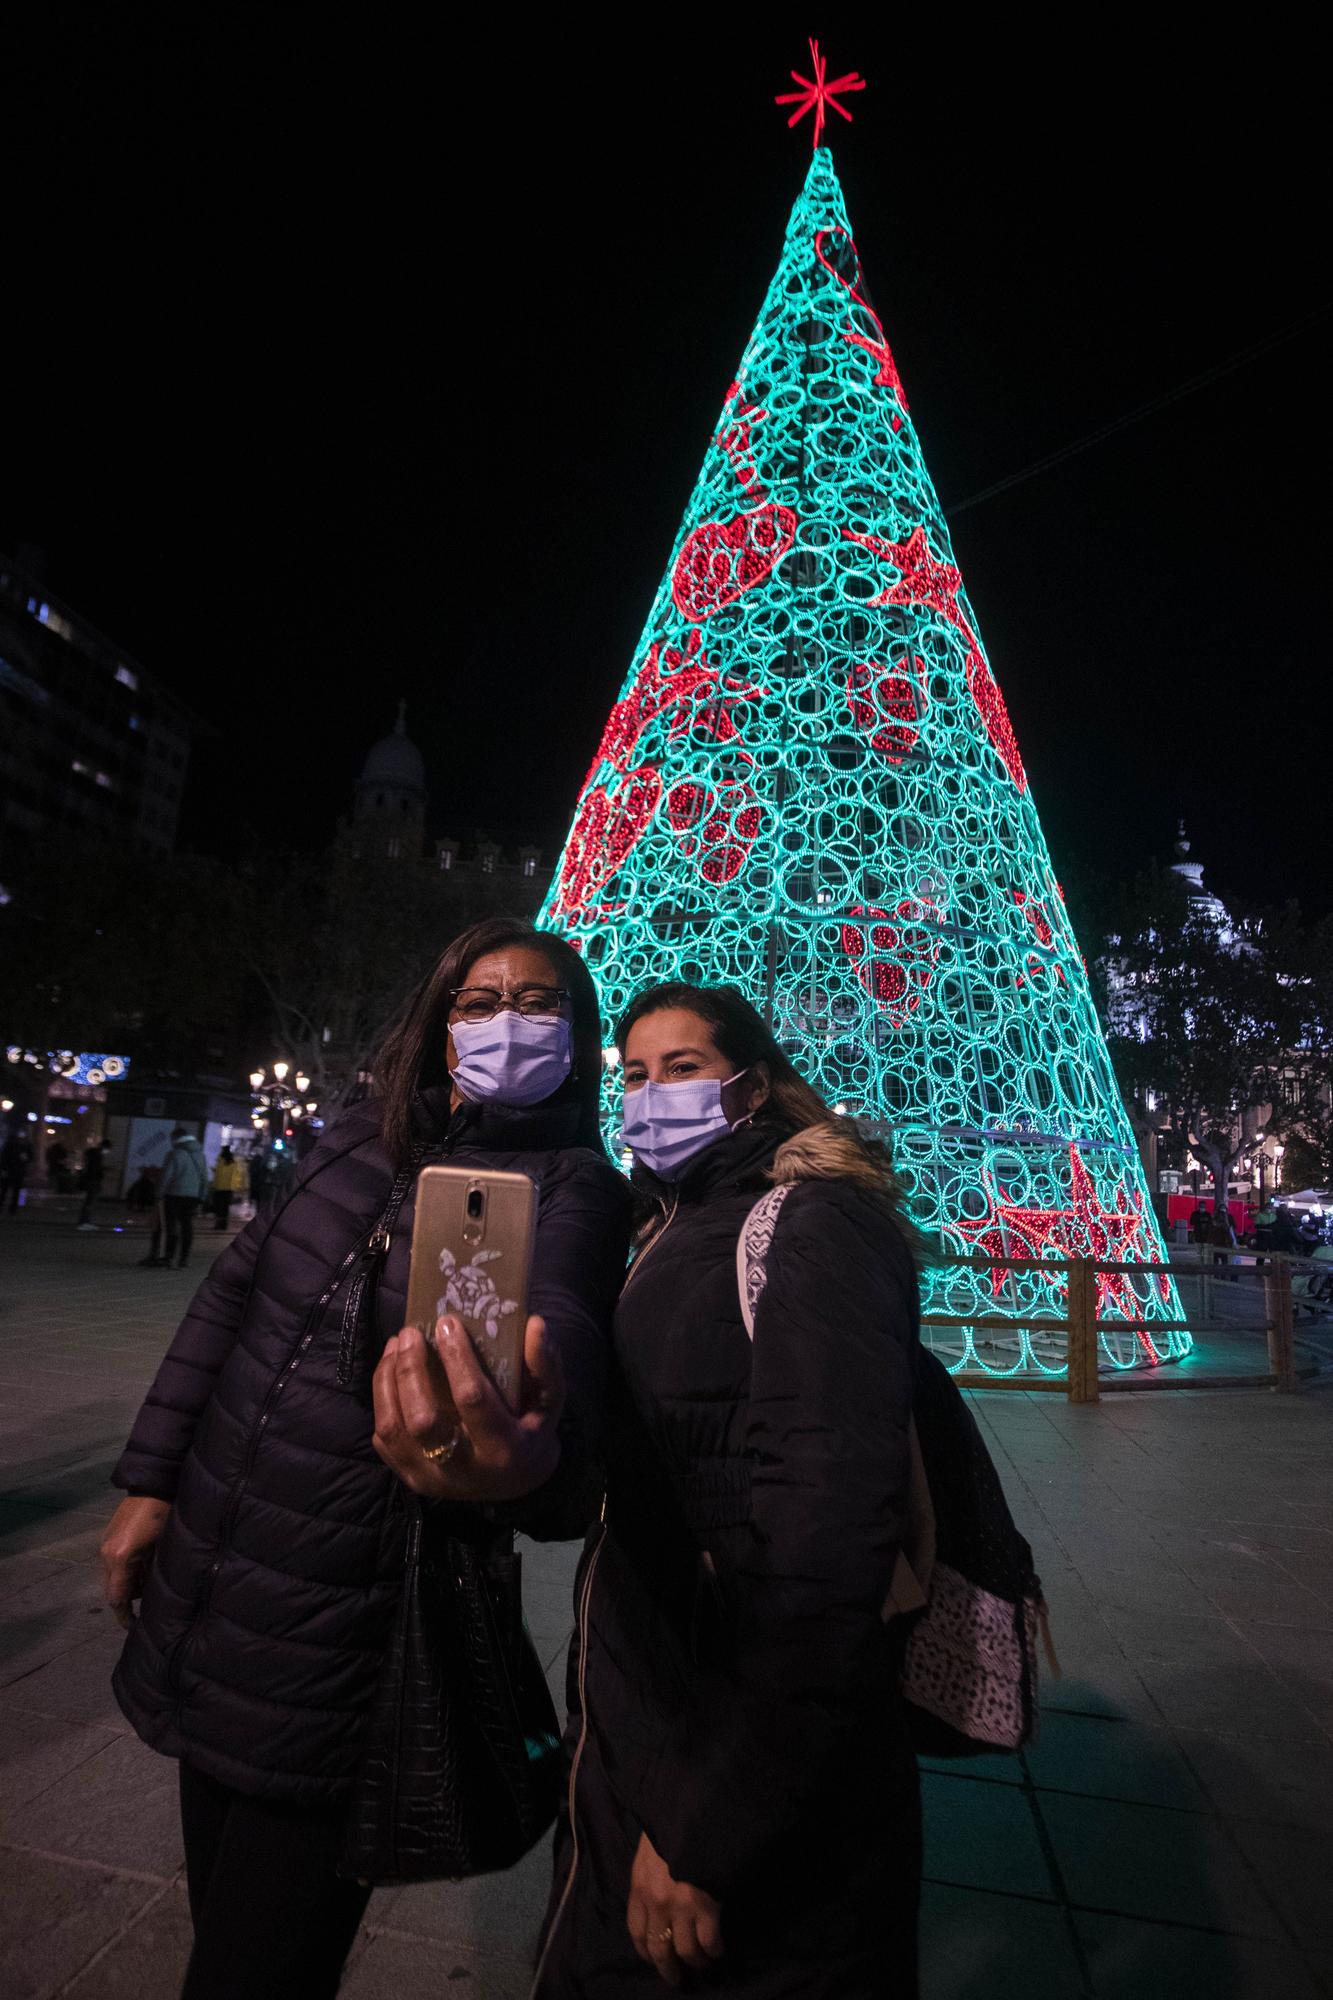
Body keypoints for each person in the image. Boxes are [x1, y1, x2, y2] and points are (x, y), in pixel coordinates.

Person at [100, 919, 631, 2000]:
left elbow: (563, 1321)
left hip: (352, 1623)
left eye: (540, 1004)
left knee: (254, 1966)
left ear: (575, 1044)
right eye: (478, 1002)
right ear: (440, 1030)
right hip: (217, 1579)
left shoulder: (574, 1184)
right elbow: (230, 1301)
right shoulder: (353, 1139)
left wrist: (528, 1446)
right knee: (221, 1898)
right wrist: (150, 1480)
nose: (507, 1022)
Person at [531, 981, 924, 1997]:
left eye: (682, 1068)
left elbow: (828, 1533)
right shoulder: (668, 1224)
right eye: (632, 1074)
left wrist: (708, 1828)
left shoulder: (814, 1222)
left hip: (733, 1742)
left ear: (747, 1089)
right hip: (649, 1708)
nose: (649, 1093)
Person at [138, 1127, 210, 1268]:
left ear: (176, 1139)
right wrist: (202, 1197)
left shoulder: (174, 1154)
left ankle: (167, 1257)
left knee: (168, 1225)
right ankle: (183, 1259)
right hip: (193, 1197)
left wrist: (158, 1194)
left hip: (174, 1195)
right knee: (187, 1226)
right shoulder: (200, 1155)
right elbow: (204, 1178)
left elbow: (166, 1176)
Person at [208, 1144, 246, 1231]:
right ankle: (224, 1225)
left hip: (219, 1188)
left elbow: (218, 1175)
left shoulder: (220, 1161)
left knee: (218, 1207)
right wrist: (236, 1186)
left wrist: (214, 1181)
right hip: (229, 1189)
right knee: (225, 1208)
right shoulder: (233, 1163)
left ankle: (218, 1224)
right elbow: (236, 1176)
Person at [76, 1137, 109, 1229]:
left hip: (90, 1180)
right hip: (93, 1181)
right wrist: (103, 1171)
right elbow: (95, 1169)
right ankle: (85, 1222)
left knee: (88, 1202)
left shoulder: (91, 1155)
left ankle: (83, 1221)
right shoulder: (97, 1156)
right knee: (90, 1202)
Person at [1, 1129, 35, 1213]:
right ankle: (12, 1208)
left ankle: (11, 1207)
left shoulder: (12, 1145)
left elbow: (4, 1157)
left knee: (8, 1190)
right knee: (10, 1190)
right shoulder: (18, 1145)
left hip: (15, 1170)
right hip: (15, 1170)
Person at [1209, 1204, 1237, 1280]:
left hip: (1223, 1242)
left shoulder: (1228, 1218)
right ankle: (1218, 1275)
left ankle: (1222, 1275)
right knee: (1219, 1260)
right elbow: (1213, 1230)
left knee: (1223, 1260)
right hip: (1219, 1242)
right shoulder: (1216, 1219)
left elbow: (1232, 1229)